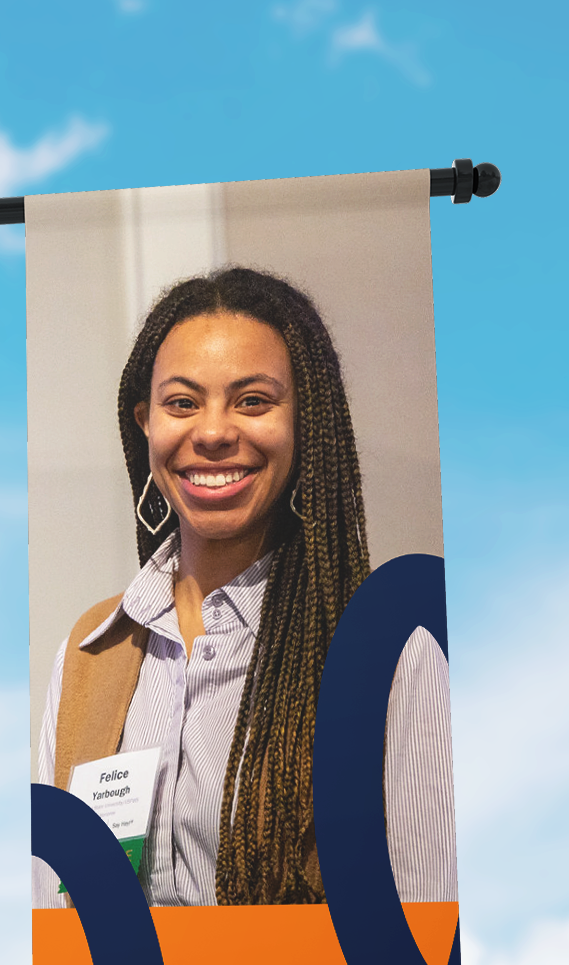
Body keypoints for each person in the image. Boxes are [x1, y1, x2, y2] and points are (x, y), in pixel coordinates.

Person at [35, 266, 455, 908]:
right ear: (146, 423)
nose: (211, 432)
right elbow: (51, 932)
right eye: (182, 403)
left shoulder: (389, 654)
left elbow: (429, 938)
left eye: (252, 401)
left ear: (305, 421)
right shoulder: (89, 658)